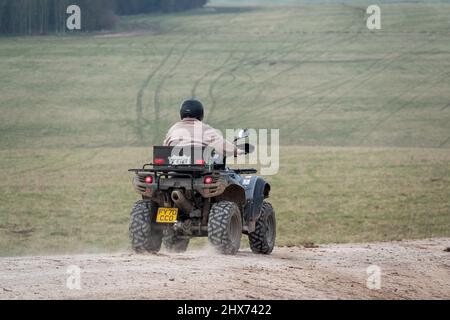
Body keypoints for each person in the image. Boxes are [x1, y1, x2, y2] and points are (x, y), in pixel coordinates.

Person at [163, 99, 242, 157]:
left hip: (174, 167)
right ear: (200, 113)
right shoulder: (205, 129)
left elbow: (165, 147)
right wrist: (237, 151)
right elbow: (221, 144)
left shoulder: (173, 129)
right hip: (200, 169)